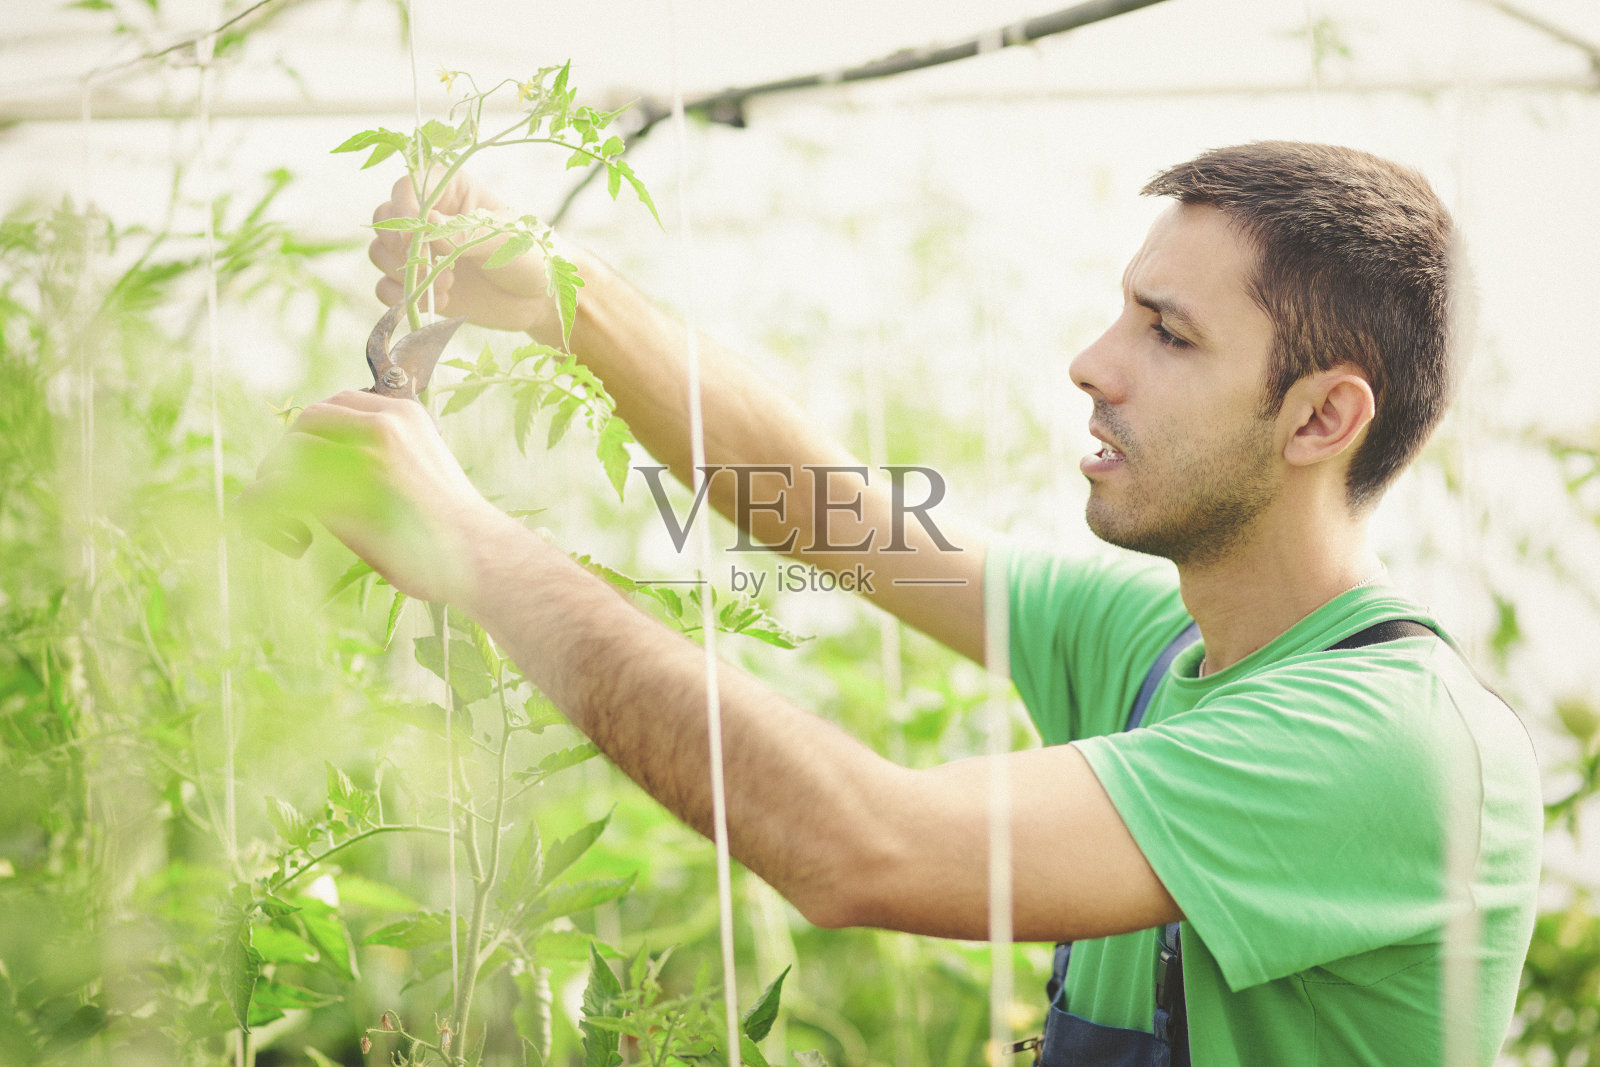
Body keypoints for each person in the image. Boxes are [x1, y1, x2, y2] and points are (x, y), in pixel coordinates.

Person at [254, 141, 1541, 1065]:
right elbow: (825, 508)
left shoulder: (1392, 745)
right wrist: (560, 293)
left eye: (1169, 333)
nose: (1092, 362)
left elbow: (858, 842)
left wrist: (474, 546)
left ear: (1322, 414)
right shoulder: (1157, 645)